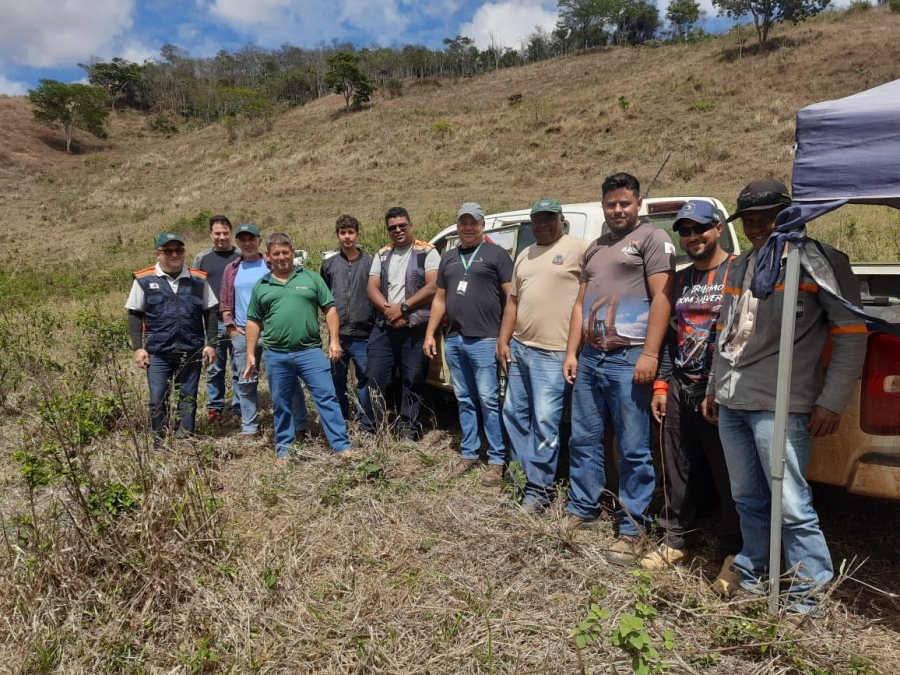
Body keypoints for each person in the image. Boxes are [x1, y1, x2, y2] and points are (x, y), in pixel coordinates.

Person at [702, 178, 867, 612]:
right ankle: (753, 573)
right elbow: (726, 331)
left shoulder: (818, 261)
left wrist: (831, 400)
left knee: (791, 504)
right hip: (734, 399)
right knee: (747, 498)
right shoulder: (742, 264)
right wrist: (714, 387)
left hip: (781, 402)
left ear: (790, 215)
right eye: (750, 220)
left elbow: (851, 334)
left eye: (768, 218)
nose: (758, 228)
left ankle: (808, 595)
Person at [563, 172, 674, 566]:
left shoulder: (652, 239)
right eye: (611, 204)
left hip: (629, 358)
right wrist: (572, 352)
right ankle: (583, 507)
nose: (618, 210)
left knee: (632, 447)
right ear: (603, 206)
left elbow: (662, 298)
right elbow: (580, 304)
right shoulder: (595, 248)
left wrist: (650, 354)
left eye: (625, 203)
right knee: (584, 438)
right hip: (591, 358)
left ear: (638, 203)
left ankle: (632, 528)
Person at [643, 200, 741, 581]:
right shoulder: (680, 280)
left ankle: (734, 552)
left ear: (718, 228)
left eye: (699, 228)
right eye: (684, 231)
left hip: (721, 392)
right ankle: (675, 540)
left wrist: (718, 387)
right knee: (677, 467)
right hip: (680, 388)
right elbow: (671, 337)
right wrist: (662, 383)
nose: (692, 236)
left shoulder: (738, 270)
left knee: (729, 476)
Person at [497, 199, 588, 513]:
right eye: (538, 219)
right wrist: (503, 339)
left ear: (562, 220)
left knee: (545, 422)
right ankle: (519, 478)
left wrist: (573, 350)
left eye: (550, 218)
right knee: (514, 415)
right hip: (520, 348)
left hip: (554, 353)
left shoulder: (580, 249)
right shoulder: (525, 254)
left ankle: (538, 490)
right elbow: (513, 302)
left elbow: (590, 298)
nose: (543, 224)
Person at [424, 202, 513, 486]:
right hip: (455, 340)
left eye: (473, 222)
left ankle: (497, 460)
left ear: (482, 225)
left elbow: (511, 298)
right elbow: (439, 299)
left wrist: (505, 337)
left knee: (488, 400)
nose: (468, 227)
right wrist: (430, 334)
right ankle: (470, 452)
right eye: (463, 222)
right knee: (464, 399)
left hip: (486, 340)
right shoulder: (449, 258)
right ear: (458, 226)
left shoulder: (497, 255)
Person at [244, 233, 351, 458]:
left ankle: (341, 447)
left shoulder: (311, 278)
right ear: (268, 256)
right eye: (276, 253)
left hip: (310, 352)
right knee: (281, 403)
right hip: (276, 355)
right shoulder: (262, 285)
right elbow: (253, 321)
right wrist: (250, 354)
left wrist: (334, 340)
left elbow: (330, 309)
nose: (281, 257)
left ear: (292, 252)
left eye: (285, 252)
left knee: (327, 398)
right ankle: (285, 449)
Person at [126, 233, 218, 448]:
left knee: (188, 398)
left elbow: (211, 312)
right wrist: (138, 348)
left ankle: (185, 440)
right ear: (158, 253)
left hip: (191, 349)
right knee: (157, 399)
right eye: (168, 251)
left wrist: (211, 343)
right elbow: (134, 314)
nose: (175, 254)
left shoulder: (198, 279)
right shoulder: (144, 279)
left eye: (179, 250)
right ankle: (159, 442)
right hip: (158, 352)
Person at [218, 224, 309, 439]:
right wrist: (231, 327)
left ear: (259, 241)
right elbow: (224, 302)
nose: (247, 243)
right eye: (243, 239)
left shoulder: (271, 263)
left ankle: (299, 425)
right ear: (237, 242)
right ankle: (249, 428)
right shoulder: (232, 269)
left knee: (287, 380)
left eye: (251, 239)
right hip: (243, 334)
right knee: (246, 382)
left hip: (274, 333)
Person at [367, 206, 439, 440]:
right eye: (392, 228)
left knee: (413, 379)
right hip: (385, 327)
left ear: (410, 225)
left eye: (402, 225)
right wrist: (390, 311)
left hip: (415, 328)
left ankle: (408, 430)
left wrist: (404, 308)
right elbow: (372, 288)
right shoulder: (382, 254)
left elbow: (433, 285)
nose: (397, 230)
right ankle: (373, 427)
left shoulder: (426, 251)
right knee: (375, 377)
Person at [319, 214, 375, 431]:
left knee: (366, 379)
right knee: (337, 379)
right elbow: (323, 297)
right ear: (337, 235)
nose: (347, 237)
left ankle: (366, 422)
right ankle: (340, 419)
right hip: (338, 335)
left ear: (357, 234)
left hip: (364, 334)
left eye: (351, 232)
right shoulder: (329, 265)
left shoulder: (370, 263)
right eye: (343, 233)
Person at [193, 215, 241, 422]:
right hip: (213, 321)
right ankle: (215, 407)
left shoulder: (241, 256)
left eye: (225, 233)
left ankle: (240, 407)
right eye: (217, 233)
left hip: (238, 320)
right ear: (210, 235)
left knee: (240, 367)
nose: (222, 237)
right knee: (214, 367)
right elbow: (196, 290)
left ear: (231, 233)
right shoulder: (201, 258)